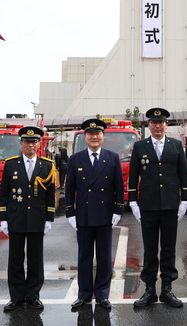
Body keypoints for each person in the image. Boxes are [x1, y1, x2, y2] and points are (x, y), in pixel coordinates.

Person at [128, 108, 187, 308]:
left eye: (161, 122)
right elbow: (133, 175)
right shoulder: (140, 146)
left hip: (171, 204)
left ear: (166, 125)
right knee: (150, 249)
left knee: (169, 249)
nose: (157, 126)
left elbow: (182, 174)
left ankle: (167, 290)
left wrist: (185, 200)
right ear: (149, 125)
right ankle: (149, 291)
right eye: (154, 122)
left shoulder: (176, 145)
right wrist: (133, 201)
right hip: (148, 204)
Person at [65, 118, 124, 311]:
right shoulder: (76, 159)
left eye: (98, 134)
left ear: (103, 136)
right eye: (90, 134)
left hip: (105, 213)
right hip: (84, 214)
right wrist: (70, 212)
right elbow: (69, 188)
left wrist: (118, 209)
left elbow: (118, 187)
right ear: (85, 137)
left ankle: (102, 294)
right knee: (84, 256)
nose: (94, 137)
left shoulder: (112, 157)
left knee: (105, 256)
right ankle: (84, 294)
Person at [0, 126, 56, 312]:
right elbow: (4, 193)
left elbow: (49, 195)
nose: (30, 145)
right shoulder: (11, 164)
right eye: (27, 142)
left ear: (39, 144)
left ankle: (33, 296)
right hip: (15, 217)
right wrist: (3, 218)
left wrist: (49, 218)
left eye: (34, 142)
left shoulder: (47, 165)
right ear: (21, 143)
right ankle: (16, 297)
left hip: (37, 217)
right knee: (15, 259)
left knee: (35, 259)